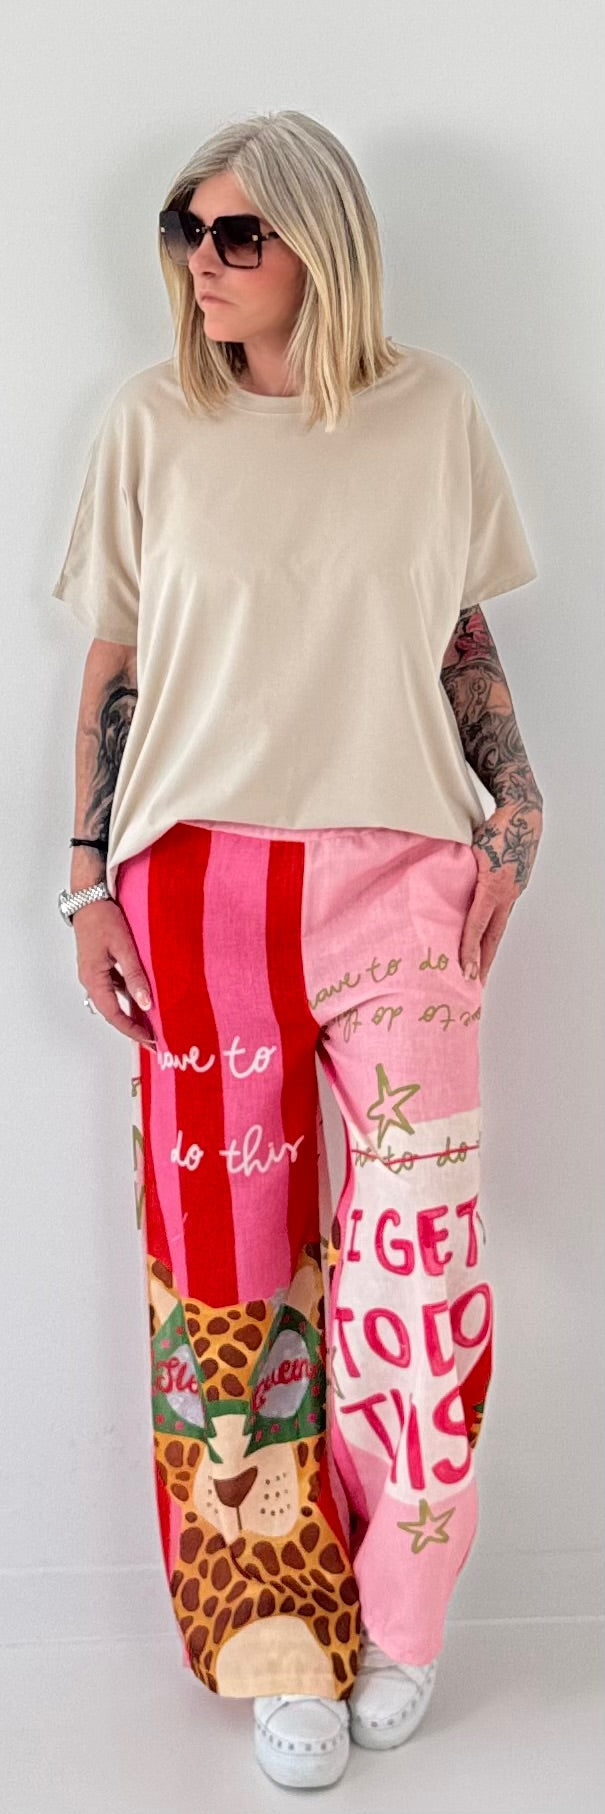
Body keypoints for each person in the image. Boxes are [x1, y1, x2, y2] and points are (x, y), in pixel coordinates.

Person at [52, 109, 543, 1792]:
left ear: (320, 246)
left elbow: (457, 626)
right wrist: (81, 879)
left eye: (238, 233)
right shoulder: (149, 422)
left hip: (402, 873)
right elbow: (117, 663)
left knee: (415, 1270)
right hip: (196, 885)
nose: (202, 261)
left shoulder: (434, 410)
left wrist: (518, 806)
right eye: (186, 229)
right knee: (229, 1284)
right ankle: (280, 1636)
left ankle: (401, 1611)